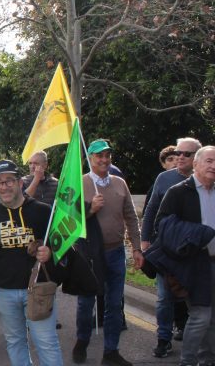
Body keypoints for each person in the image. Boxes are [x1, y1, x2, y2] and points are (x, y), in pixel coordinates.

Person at [0, 159, 61, 365]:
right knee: (15, 341)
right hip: (3, 291)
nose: (4, 186)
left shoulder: (43, 212)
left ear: (20, 182)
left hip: (38, 290)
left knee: (46, 342)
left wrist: (50, 253)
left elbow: (63, 246)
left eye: (9, 181)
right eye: (0, 182)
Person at [73, 139, 143, 366]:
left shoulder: (120, 183)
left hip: (115, 253)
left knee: (114, 304)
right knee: (86, 303)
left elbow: (131, 217)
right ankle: (82, 340)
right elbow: (67, 220)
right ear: (89, 158)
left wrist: (137, 247)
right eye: (98, 156)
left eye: (107, 156)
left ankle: (111, 351)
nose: (103, 160)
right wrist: (90, 210)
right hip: (88, 254)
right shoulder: (79, 183)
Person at [152, 145, 215, 366]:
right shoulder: (178, 192)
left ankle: (207, 360)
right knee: (200, 316)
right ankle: (187, 361)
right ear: (196, 164)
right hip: (193, 264)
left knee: (211, 319)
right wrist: (198, 233)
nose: (213, 165)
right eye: (209, 160)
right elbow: (162, 225)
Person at [141, 138, 202, 357]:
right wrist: (144, 241)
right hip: (167, 250)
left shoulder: (206, 180)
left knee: (197, 298)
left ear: (198, 156)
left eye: (186, 153)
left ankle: (195, 342)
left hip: (196, 251)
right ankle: (163, 338)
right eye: (178, 152)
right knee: (164, 296)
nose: (180, 157)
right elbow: (150, 211)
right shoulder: (164, 179)